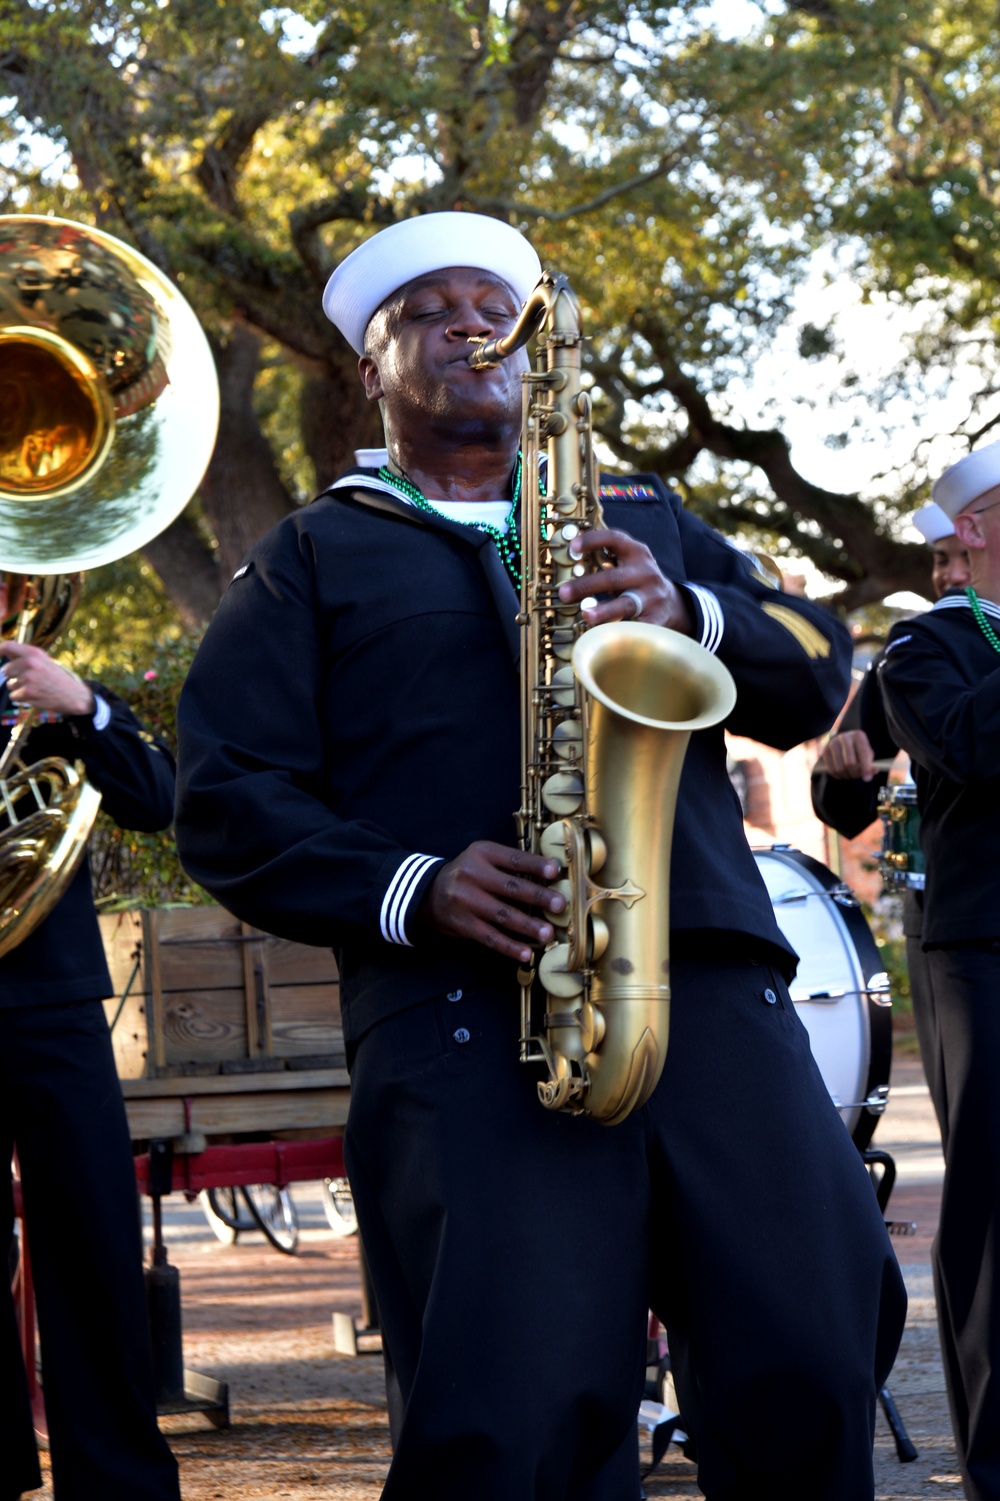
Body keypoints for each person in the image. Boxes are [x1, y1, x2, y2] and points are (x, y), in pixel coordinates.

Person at [174, 212, 906, 1501]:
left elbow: (815, 669)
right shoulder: (308, 556)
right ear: (370, 367)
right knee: (509, 1421)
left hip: (712, 992)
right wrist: (413, 885)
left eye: (492, 303)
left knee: (815, 1338)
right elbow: (226, 802)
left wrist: (695, 612)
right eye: (430, 309)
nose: (471, 323)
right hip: (462, 1020)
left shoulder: (642, 516)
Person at [0, 575, 180, 1501]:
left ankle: (117, 1481)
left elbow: (158, 799)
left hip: (55, 1002)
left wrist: (87, 704)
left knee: (94, 1244)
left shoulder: (48, 693)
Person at [879, 442, 1000, 1501]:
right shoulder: (926, 646)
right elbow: (970, 747)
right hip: (985, 947)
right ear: (970, 531)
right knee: (998, 1202)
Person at [811, 502, 970, 1116]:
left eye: (964, 557)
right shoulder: (914, 652)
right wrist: (841, 765)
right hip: (951, 914)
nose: (952, 574)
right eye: (940, 560)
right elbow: (841, 804)